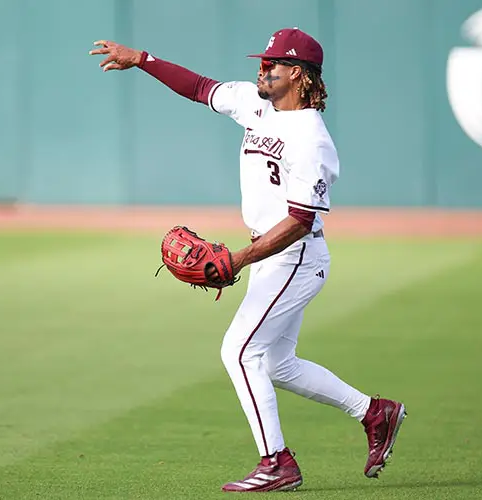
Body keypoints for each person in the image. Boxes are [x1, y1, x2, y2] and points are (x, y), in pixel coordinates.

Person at [89, 27, 406, 493]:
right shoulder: (257, 104)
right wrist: (141, 58)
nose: (261, 69)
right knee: (276, 363)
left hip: (295, 256)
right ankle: (375, 412)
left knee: (239, 351)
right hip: (270, 254)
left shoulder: (312, 140)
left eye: (271, 64)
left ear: (297, 75)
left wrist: (237, 259)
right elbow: (198, 88)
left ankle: (277, 462)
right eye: (262, 62)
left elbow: (299, 220)